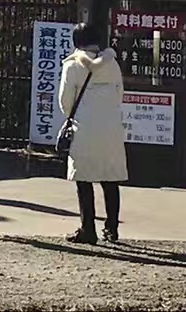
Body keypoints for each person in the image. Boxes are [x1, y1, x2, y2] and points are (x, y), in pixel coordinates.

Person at [58, 22, 128, 244]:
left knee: (84, 178)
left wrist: (72, 117)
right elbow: (120, 95)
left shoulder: (72, 66)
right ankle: (112, 228)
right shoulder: (112, 64)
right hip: (111, 128)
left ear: (76, 42)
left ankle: (88, 228)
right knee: (110, 178)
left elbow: (65, 100)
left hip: (85, 127)